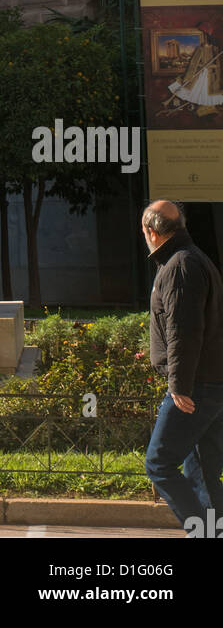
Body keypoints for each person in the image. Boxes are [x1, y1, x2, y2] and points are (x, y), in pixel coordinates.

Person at [142, 200, 223, 536]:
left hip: (196, 387)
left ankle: (202, 533)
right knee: (202, 470)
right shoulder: (194, 258)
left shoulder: (179, 265)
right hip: (210, 384)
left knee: (159, 464)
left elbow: (184, 331)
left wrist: (179, 387)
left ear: (150, 231)